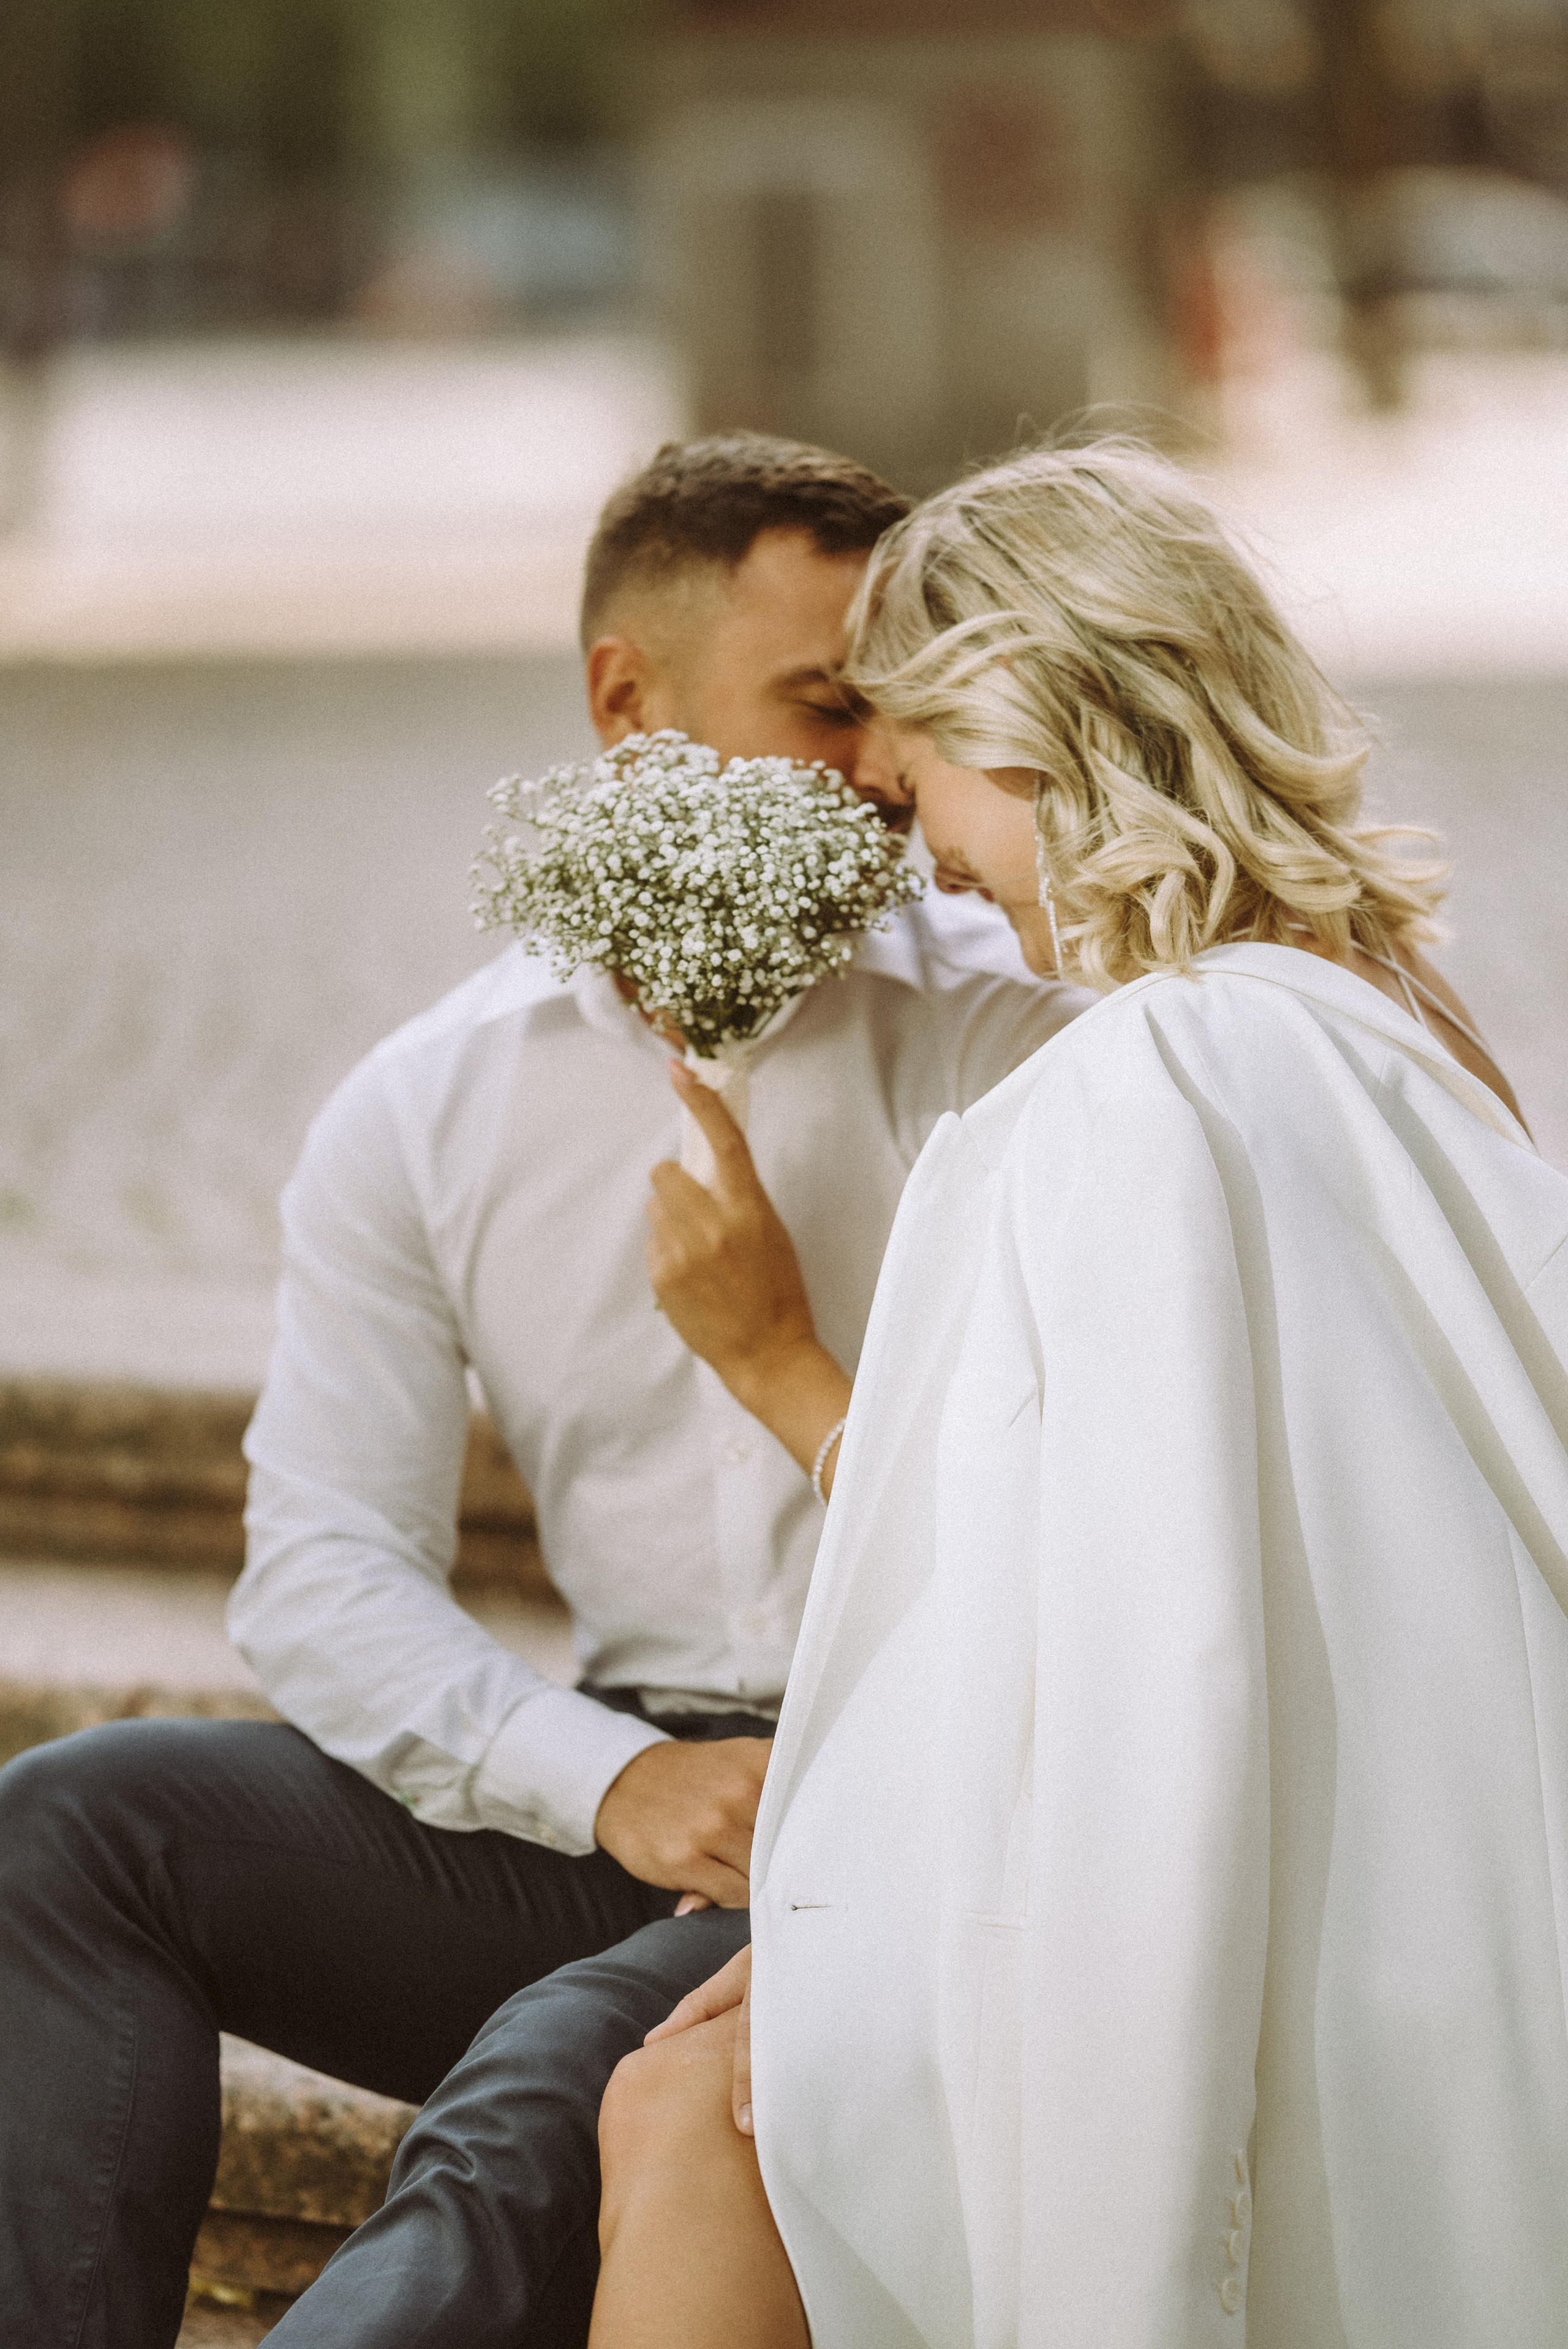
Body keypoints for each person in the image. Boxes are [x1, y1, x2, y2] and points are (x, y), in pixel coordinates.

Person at [0, 434, 1093, 2349]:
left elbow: (1103, 1533)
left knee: (543, 2091)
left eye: (897, 713)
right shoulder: (431, 1105)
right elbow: (323, 1573)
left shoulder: (1012, 1046)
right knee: (69, 1826)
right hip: (617, 1806)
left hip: (927, 1803)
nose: (877, 769)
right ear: (624, 702)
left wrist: (788, 1358)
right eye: (825, 703)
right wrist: (609, 1781)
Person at [588, 442, 1567, 2349]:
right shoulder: (1403, 1026)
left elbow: (1128, 1652)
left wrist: (855, 1936)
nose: (899, 818)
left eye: (918, 760)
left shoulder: (1132, 1095)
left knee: (684, 2106)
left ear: (1040, 722)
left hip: (1273, 1924)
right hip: (1460, 1894)